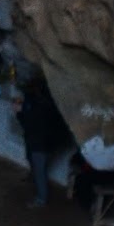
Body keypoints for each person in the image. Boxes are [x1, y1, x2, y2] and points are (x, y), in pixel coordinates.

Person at [18, 76, 67, 207]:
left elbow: (27, 123)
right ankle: (37, 187)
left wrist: (19, 112)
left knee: (40, 171)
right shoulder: (50, 100)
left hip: (39, 142)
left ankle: (41, 199)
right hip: (48, 141)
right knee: (37, 166)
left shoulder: (32, 103)